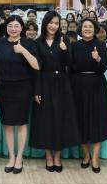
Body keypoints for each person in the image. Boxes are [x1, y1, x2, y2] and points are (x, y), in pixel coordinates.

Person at [30, 11, 80, 172]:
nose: (53, 26)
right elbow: (36, 68)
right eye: (50, 23)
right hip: (44, 82)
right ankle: (48, 156)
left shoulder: (64, 39)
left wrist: (65, 50)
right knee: (45, 120)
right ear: (45, 23)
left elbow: (69, 63)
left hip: (62, 83)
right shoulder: (37, 42)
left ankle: (57, 156)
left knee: (61, 119)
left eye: (56, 23)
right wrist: (37, 90)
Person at [0, 15, 40, 174]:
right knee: (7, 124)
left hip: (23, 87)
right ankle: (11, 157)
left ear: (22, 28)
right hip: (4, 87)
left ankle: (19, 157)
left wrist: (23, 51)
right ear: (6, 28)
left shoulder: (29, 43)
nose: (13, 29)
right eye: (10, 26)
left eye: (16, 26)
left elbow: (37, 65)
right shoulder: (0, 43)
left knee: (21, 123)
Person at [71, 18, 107, 173]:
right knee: (81, 120)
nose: (87, 29)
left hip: (97, 86)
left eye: (90, 27)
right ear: (80, 29)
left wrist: (98, 58)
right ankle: (86, 155)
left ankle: (95, 157)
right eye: (85, 26)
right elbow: (70, 67)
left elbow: (104, 67)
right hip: (78, 87)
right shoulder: (74, 46)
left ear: (95, 30)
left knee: (97, 121)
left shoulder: (101, 45)